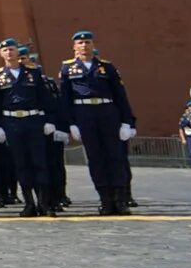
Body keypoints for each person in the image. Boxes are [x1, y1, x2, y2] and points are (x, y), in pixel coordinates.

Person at [58, 30, 136, 215]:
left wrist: (128, 122)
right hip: (84, 113)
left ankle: (120, 199)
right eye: (80, 43)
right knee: (95, 158)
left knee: (115, 157)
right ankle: (105, 200)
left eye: (87, 42)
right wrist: (70, 123)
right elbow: (65, 98)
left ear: (93, 45)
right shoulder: (67, 69)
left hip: (108, 112)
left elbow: (120, 95)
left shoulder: (107, 67)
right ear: (74, 47)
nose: (84, 45)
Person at [0, 38, 54, 216]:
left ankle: (44, 203)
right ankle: (29, 203)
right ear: (1, 54)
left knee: (39, 162)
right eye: (5, 50)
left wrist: (49, 120)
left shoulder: (34, 74)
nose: (9, 53)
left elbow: (45, 98)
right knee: (21, 164)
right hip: (12, 123)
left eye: (12, 49)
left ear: (18, 52)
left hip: (33, 121)